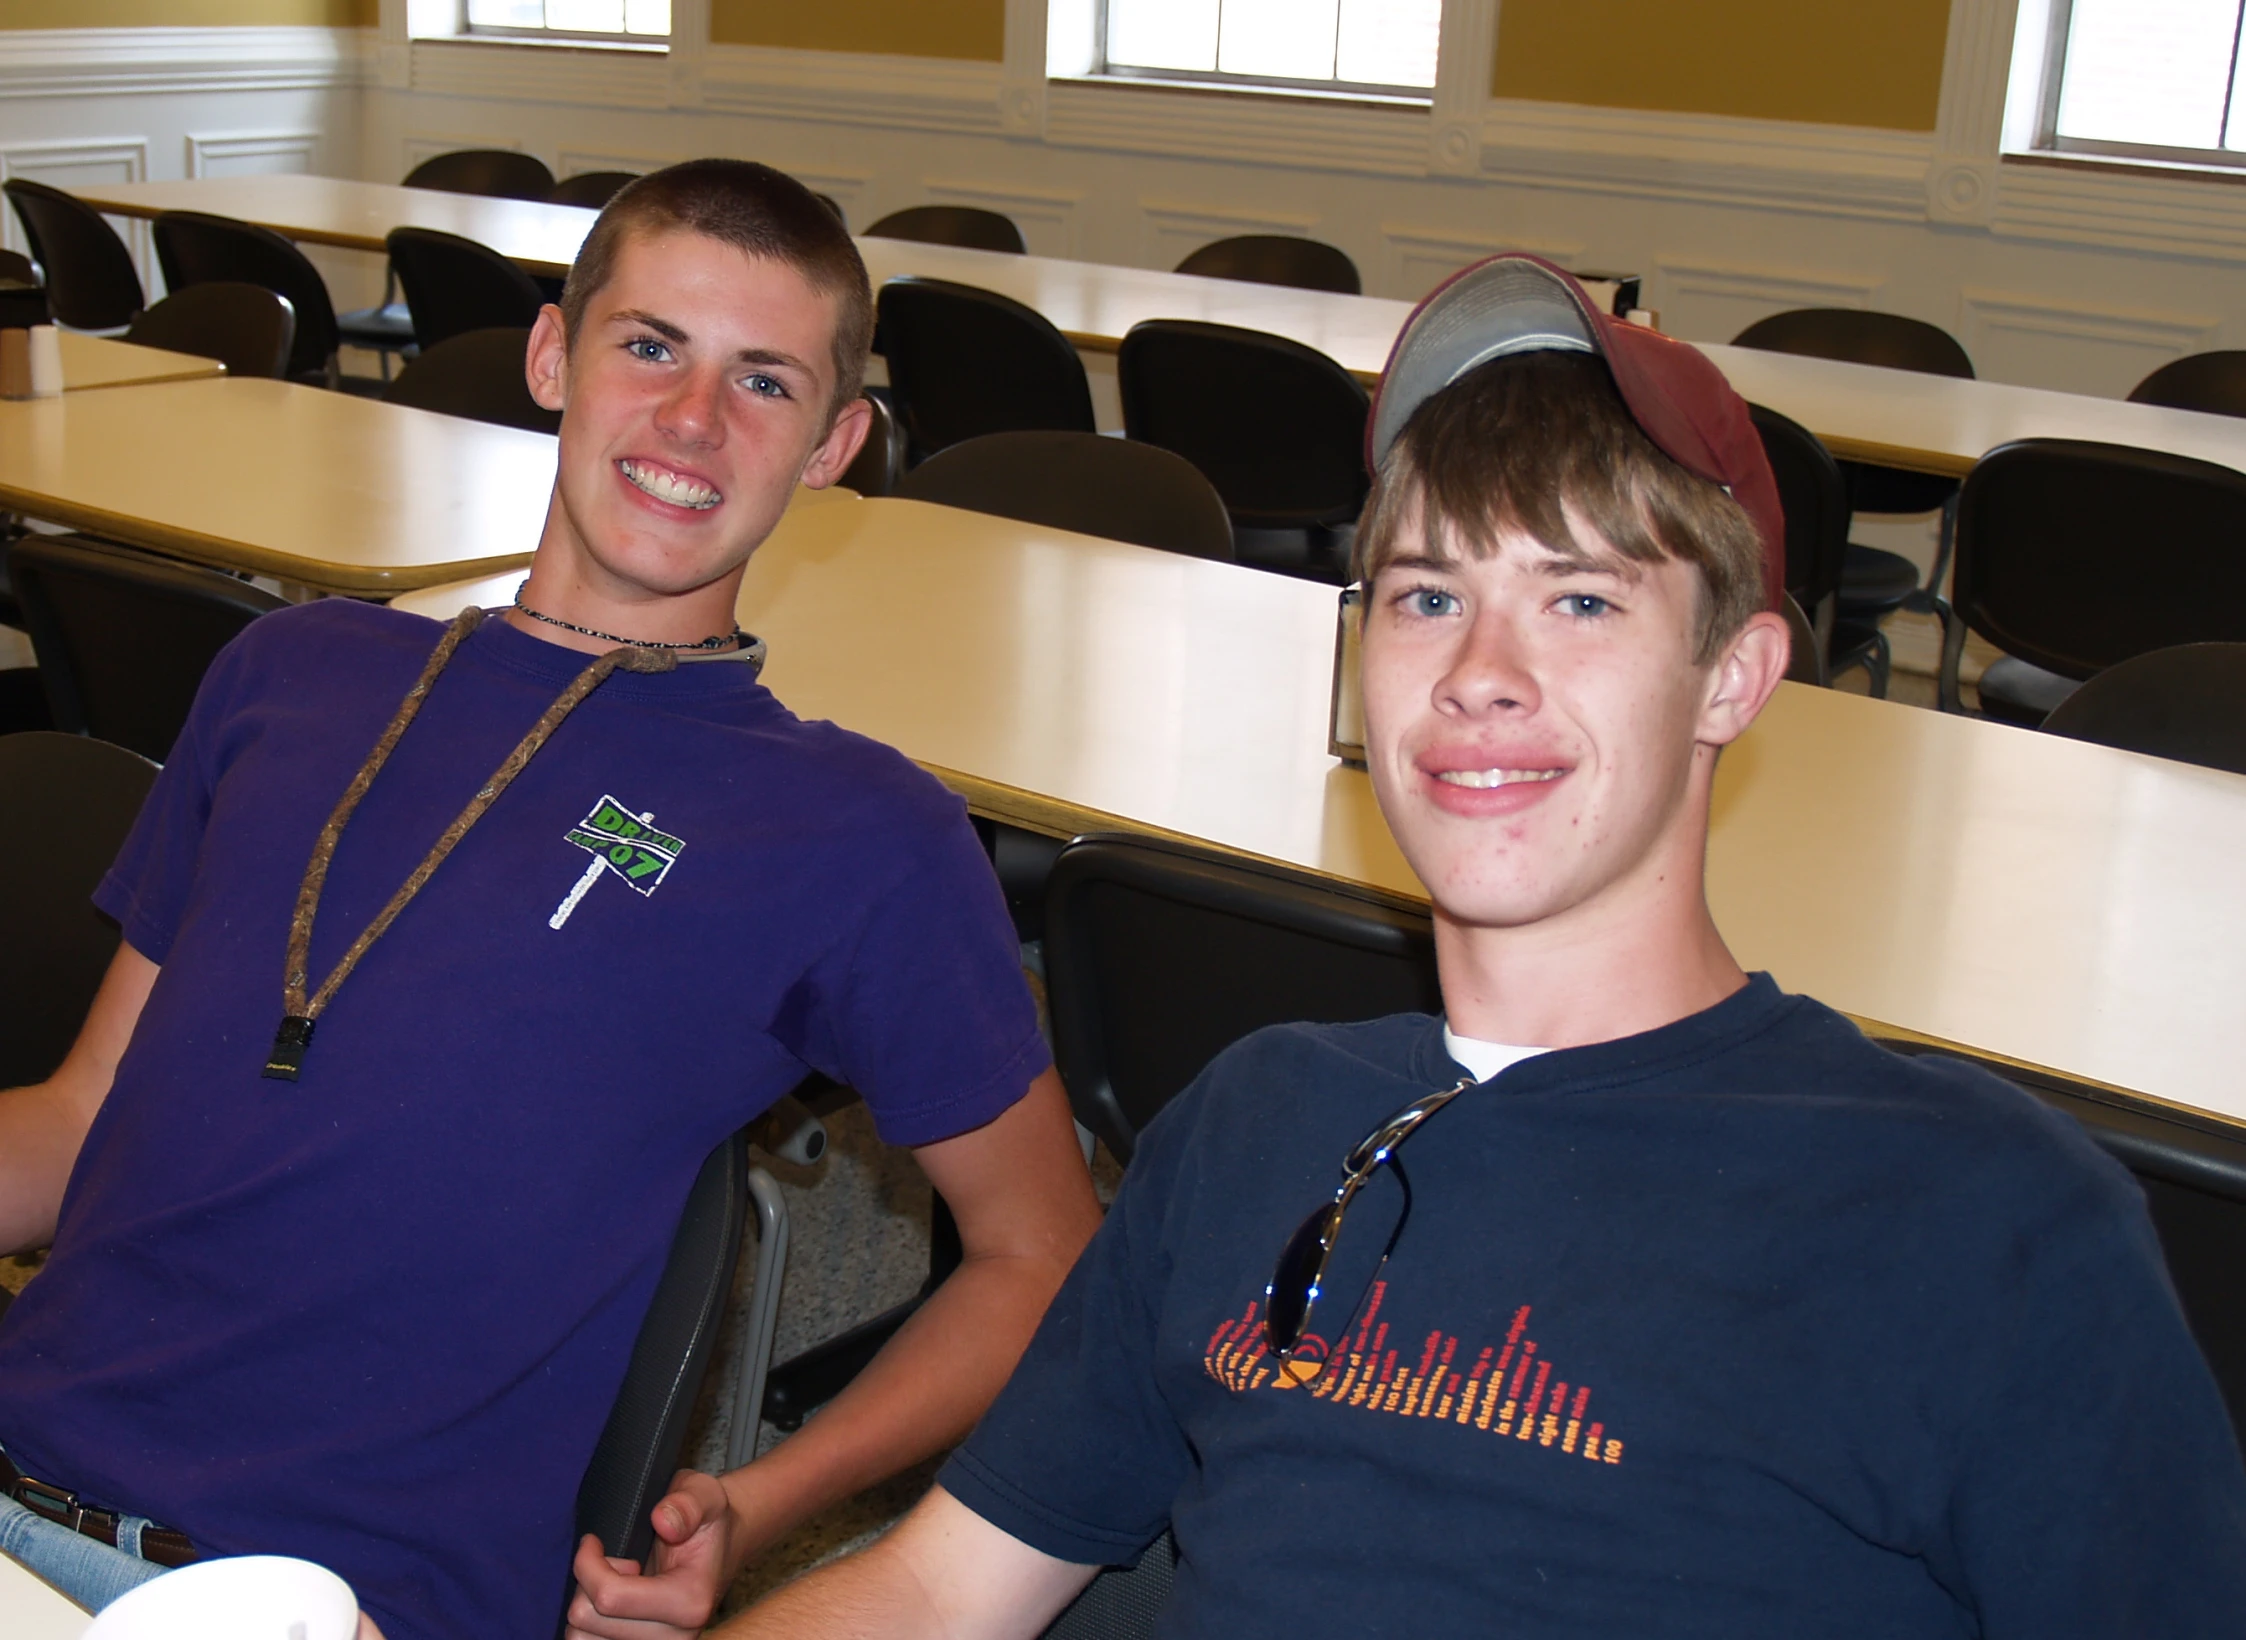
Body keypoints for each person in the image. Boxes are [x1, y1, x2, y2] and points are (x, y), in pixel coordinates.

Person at [711, 255, 2246, 1638]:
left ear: (1733, 676)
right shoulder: (1251, 1123)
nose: (1479, 675)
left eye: (1579, 598)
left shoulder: (1982, 1222)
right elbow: (934, 1587)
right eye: (1427, 594)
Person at [0, 159, 1101, 1640]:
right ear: (550, 356)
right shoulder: (291, 671)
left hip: (311, 1596)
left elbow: (1041, 1253)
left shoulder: (854, 832)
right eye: (648, 346)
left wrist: (767, 1499)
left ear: (834, 445)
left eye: (761, 383)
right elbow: (80, 1124)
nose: (692, 422)